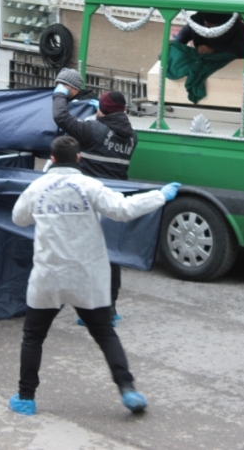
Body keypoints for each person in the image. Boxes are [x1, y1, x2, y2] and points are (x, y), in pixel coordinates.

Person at [9, 136, 180, 416]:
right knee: (104, 334)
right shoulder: (89, 186)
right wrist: (160, 195)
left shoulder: (37, 187)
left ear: (51, 159)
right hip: (86, 277)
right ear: (79, 158)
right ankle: (128, 389)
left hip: (48, 277)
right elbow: (124, 210)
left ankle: (26, 398)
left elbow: (19, 218)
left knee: (33, 338)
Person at [52, 68, 137, 323]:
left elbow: (60, 117)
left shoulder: (93, 131)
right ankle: (110, 309)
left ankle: (87, 311)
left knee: (83, 254)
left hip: (89, 200)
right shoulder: (133, 137)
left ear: (104, 111)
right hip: (114, 200)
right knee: (110, 255)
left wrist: (61, 94)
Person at [174, 12, 244, 59]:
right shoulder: (197, 21)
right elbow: (182, 37)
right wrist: (172, 47)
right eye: (205, 23)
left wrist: (213, 50)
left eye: (211, 25)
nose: (206, 26)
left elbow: (240, 51)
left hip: (225, 65)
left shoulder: (237, 28)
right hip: (199, 61)